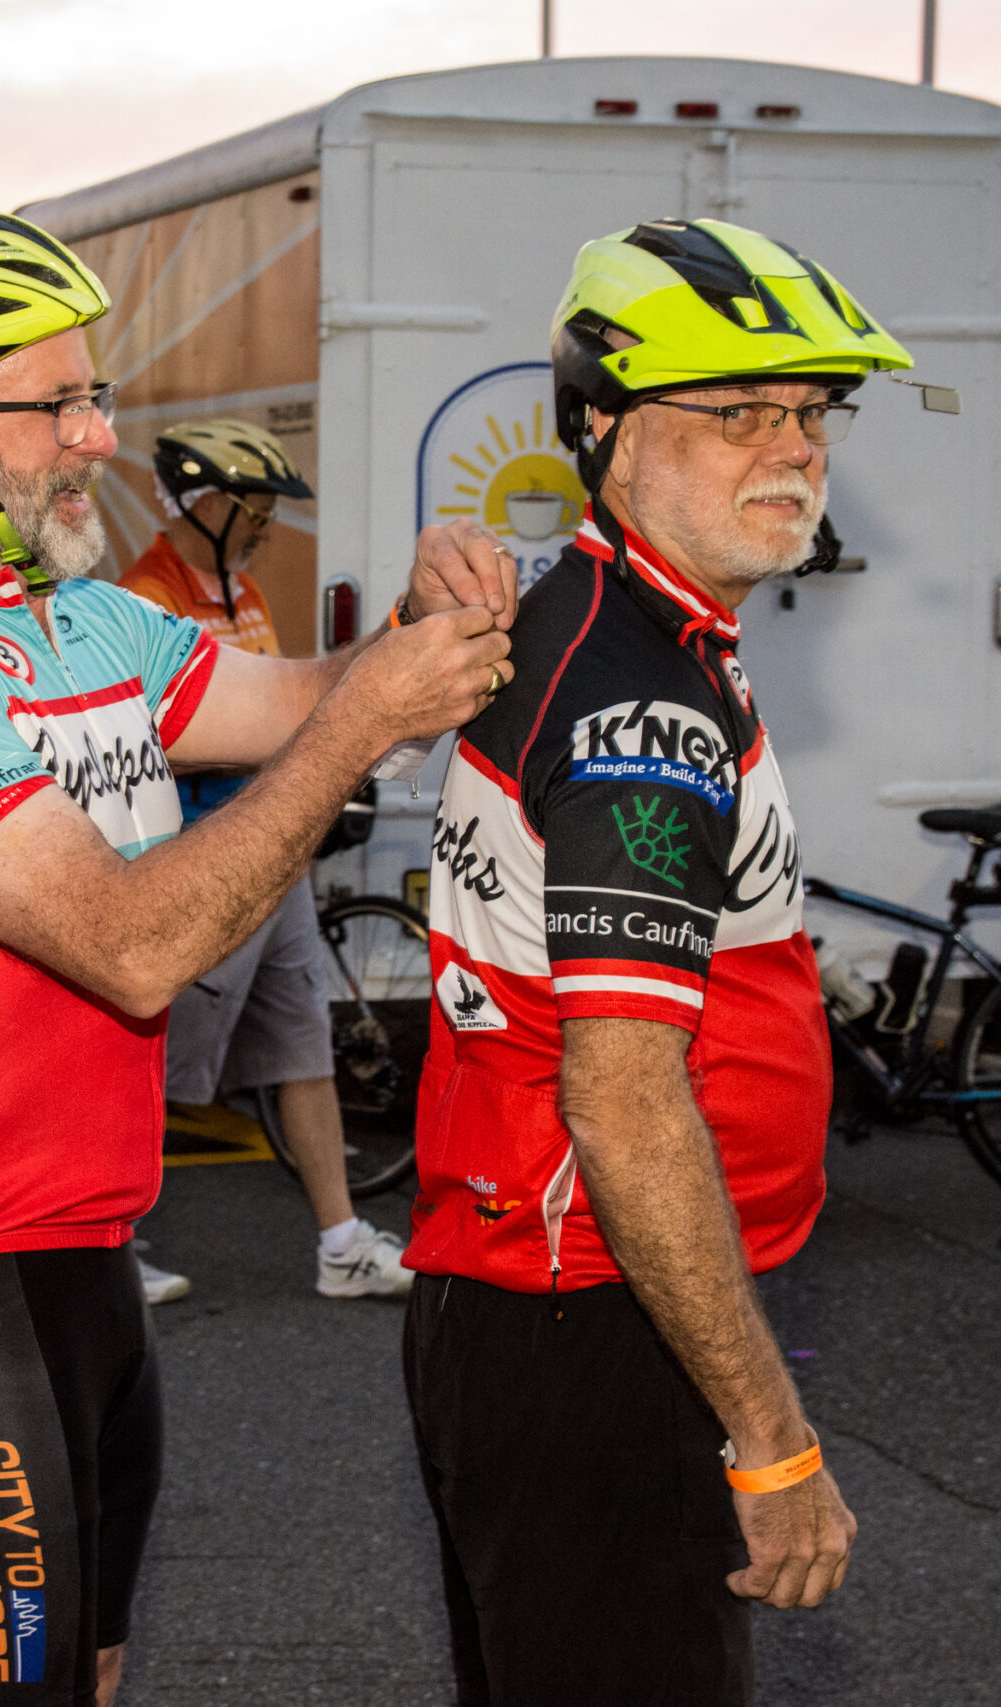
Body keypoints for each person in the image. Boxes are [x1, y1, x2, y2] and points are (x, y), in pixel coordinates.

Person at [0, 209, 515, 1707]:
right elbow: (131, 944)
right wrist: (363, 727)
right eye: (58, 405)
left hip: (77, 1223)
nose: (99, 437)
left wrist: (418, 627)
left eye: (94, 396)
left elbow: (299, 698)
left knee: (89, 1665)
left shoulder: (86, 620)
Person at [405, 218, 899, 1704]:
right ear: (605, 430)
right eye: (736, 412)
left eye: (810, 413)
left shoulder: (620, 621)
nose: (792, 449)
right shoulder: (643, 703)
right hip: (597, 1313)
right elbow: (623, 1102)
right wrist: (774, 1439)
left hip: (553, 1298)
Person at [117, 416, 409, 1304]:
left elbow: (281, 710)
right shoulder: (146, 598)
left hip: (275, 859)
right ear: (202, 503)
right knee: (149, 1066)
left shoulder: (242, 592)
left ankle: (341, 1243)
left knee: (302, 1044)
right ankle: (103, 1247)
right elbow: (163, 742)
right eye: (254, 506)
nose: (266, 524)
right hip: (205, 860)